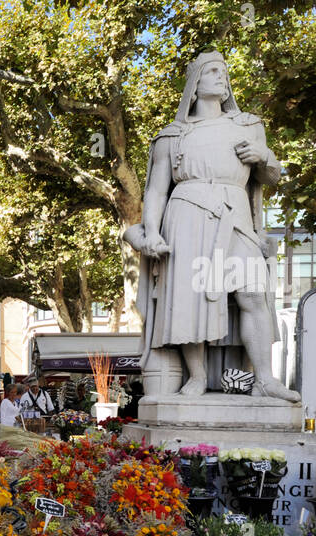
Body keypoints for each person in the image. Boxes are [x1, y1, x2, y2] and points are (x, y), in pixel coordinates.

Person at [128, 51, 298, 401]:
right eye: (213, 71)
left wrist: (263, 157)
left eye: (224, 72)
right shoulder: (172, 136)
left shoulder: (248, 125)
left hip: (235, 212)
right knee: (190, 301)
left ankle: (265, 379)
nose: (222, 77)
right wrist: (153, 232)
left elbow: (271, 176)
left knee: (252, 293)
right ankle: (198, 377)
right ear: (195, 84)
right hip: (187, 214)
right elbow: (156, 190)